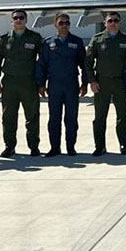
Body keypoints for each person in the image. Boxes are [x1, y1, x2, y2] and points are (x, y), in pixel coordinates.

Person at [0, 9, 44, 157]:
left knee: (32, 116)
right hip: (10, 83)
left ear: (26, 20)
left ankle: (34, 146)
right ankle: (9, 146)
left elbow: (42, 62)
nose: (18, 20)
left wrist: (41, 83)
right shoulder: (4, 39)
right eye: (15, 18)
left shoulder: (34, 38)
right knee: (8, 117)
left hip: (29, 83)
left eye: (21, 18)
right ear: (12, 20)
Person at [35, 13, 88, 157]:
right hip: (54, 85)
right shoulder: (48, 43)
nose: (64, 25)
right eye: (61, 23)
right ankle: (55, 147)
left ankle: (71, 147)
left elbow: (84, 65)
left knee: (71, 118)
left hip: (71, 84)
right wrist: (41, 84)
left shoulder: (76, 42)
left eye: (67, 23)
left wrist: (84, 84)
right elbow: (42, 65)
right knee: (54, 118)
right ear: (55, 25)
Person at [86, 11, 126, 156]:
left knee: (123, 115)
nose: (113, 23)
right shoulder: (97, 39)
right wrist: (92, 81)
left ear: (119, 22)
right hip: (102, 83)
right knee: (100, 116)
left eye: (116, 20)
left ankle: (124, 145)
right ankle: (100, 146)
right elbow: (88, 62)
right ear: (105, 23)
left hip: (121, 82)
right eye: (110, 21)